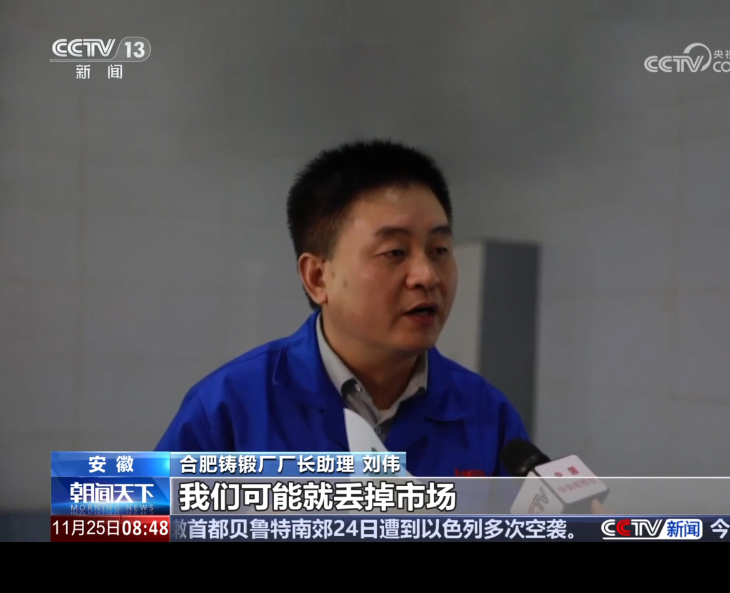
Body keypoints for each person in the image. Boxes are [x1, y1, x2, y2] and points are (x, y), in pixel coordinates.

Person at [155, 139, 529, 475]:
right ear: (318, 277)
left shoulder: (489, 418)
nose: (426, 276)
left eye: (440, 250)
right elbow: (136, 519)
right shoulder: (230, 409)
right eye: (395, 252)